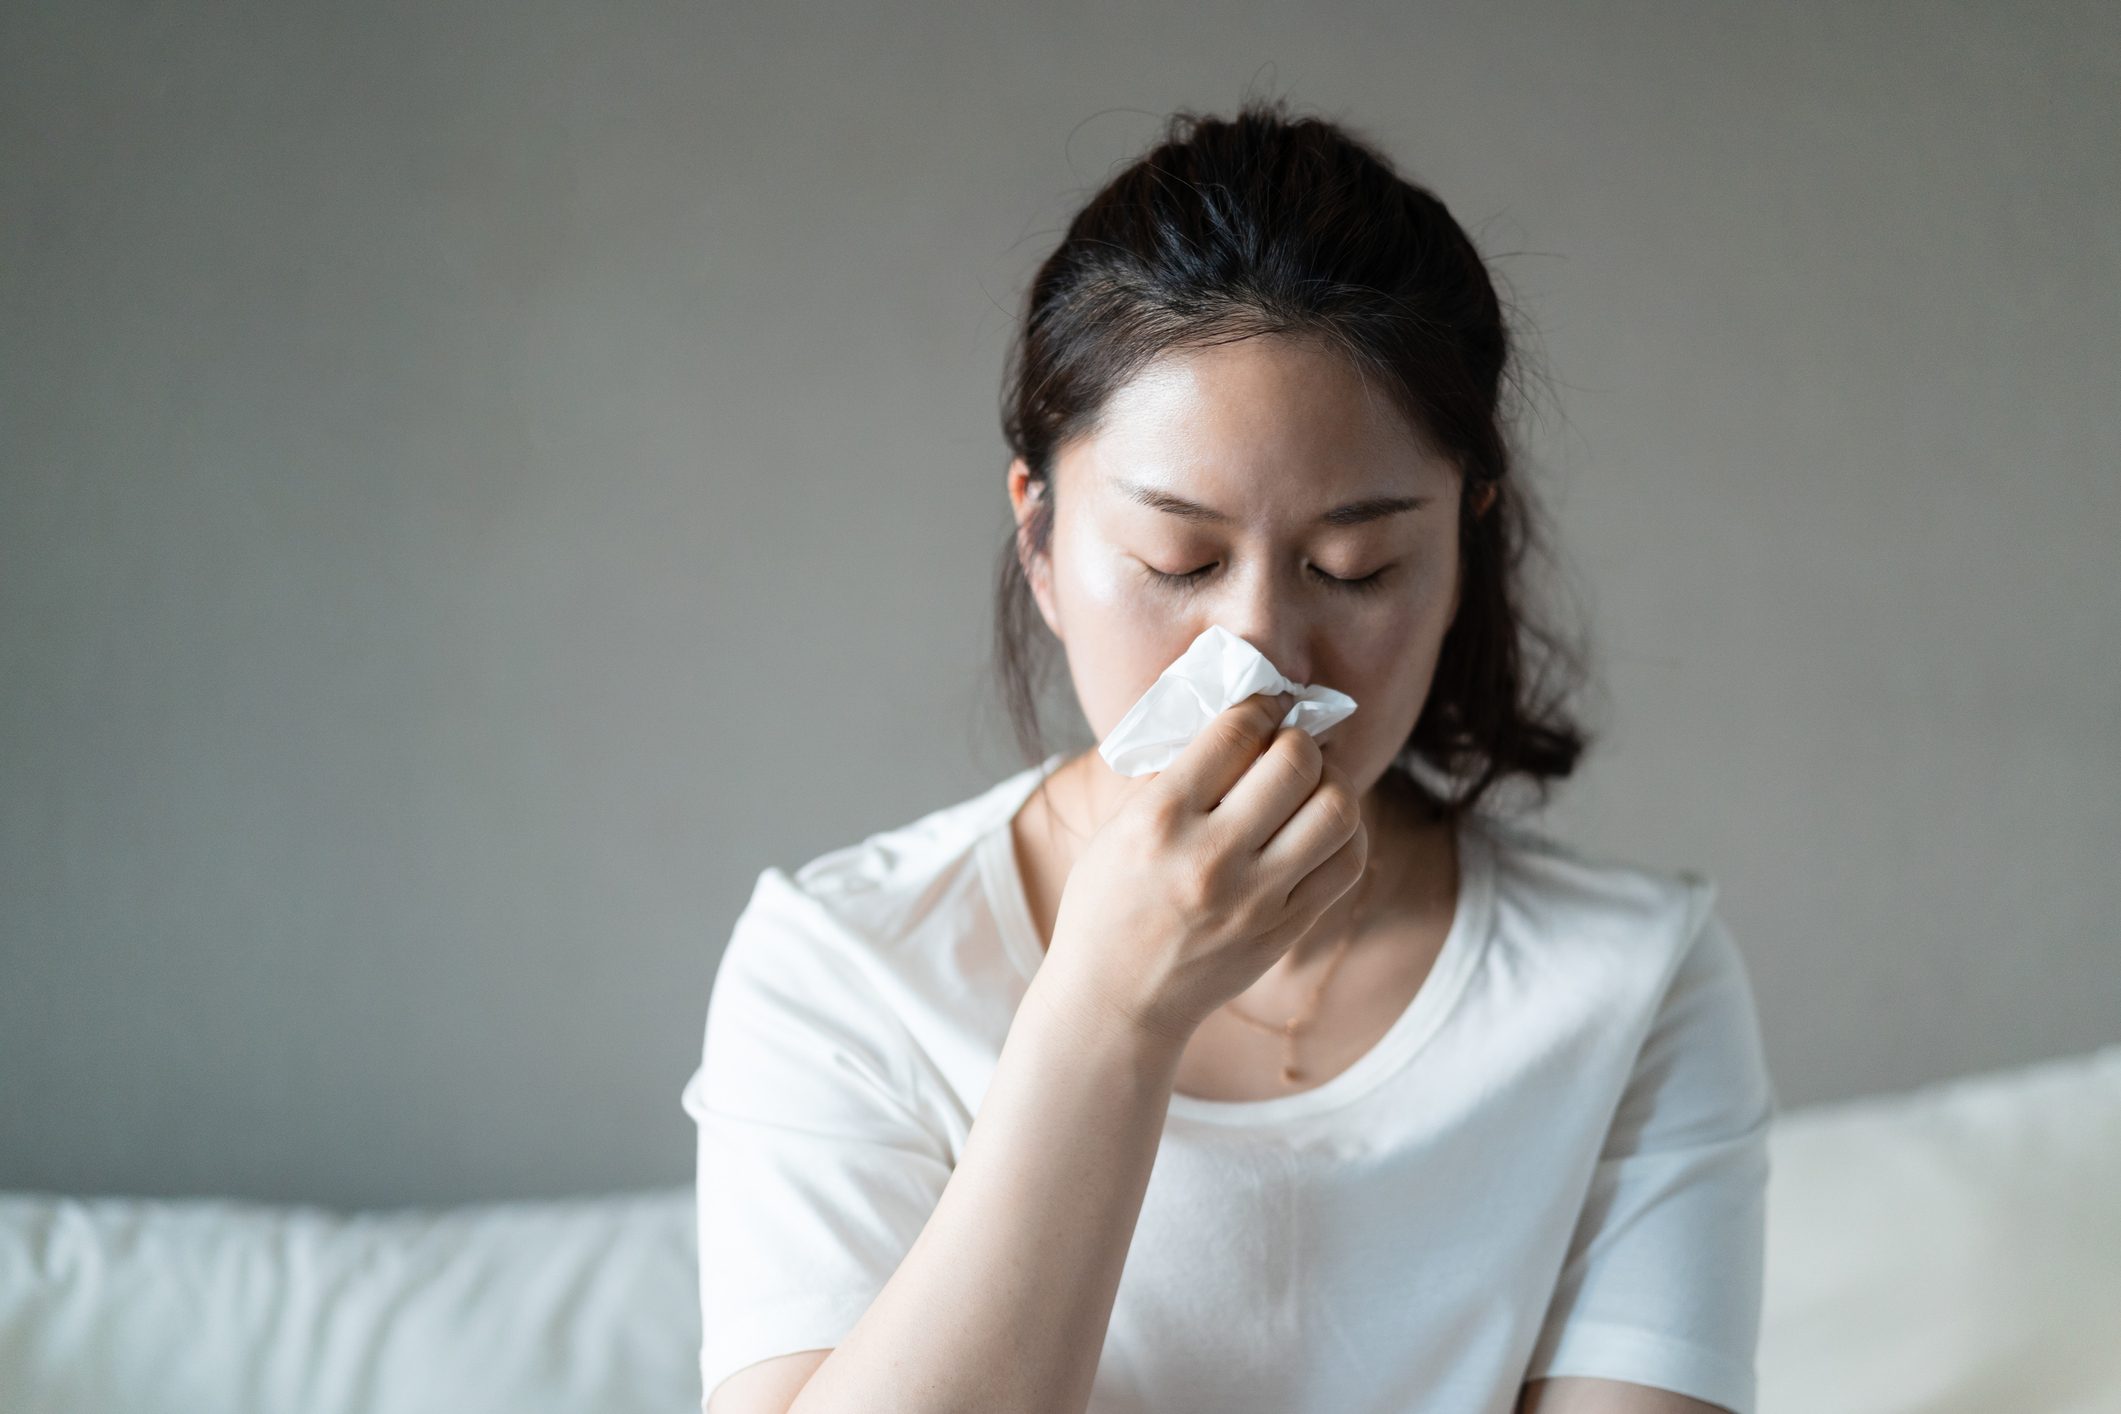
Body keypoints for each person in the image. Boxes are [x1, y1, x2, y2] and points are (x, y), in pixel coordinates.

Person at [683, 97, 1777, 1414]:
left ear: (1462, 545)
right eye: (1176, 562)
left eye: (1352, 567)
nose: (1259, 652)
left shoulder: (1629, 982)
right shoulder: (844, 968)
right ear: (1039, 537)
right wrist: (1109, 1008)